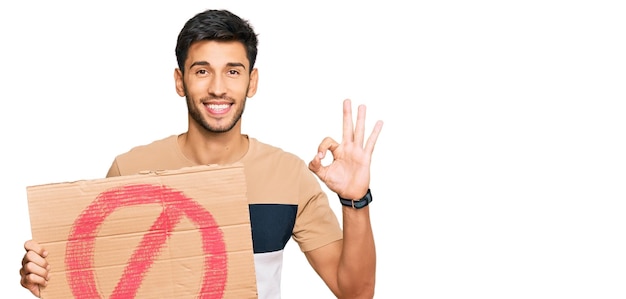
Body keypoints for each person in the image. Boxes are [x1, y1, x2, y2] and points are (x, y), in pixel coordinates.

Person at [19, 8, 383, 299]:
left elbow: (356, 292)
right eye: (202, 71)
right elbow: (103, 284)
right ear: (180, 81)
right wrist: (50, 282)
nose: (218, 88)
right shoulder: (130, 169)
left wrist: (355, 200)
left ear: (252, 82)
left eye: (233, 71)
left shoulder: (289, 176)